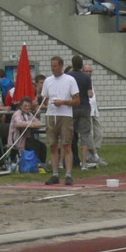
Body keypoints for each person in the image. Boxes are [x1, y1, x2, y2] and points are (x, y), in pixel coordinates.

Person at [40, 55, 80, 185]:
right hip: (51, 115)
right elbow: (44, 98)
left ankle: (68, 174)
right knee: (53, 145)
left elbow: (77, 100)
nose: (53, 68)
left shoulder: (70, 80)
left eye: (55, 66)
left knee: (66, 144)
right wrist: (46, 103)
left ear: (61, 66)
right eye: (52, 66)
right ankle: (55, 173)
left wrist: (63, 102)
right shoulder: (48, 81)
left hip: (65, 115)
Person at [68, 55, 95, 169]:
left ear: (72, 64)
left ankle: (66, 161)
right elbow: (90, 94)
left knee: (69, 135)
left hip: (72, 107)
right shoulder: (86, 77)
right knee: (85, 135)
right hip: (84, 107)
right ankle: (84, 163)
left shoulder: (68, 76)